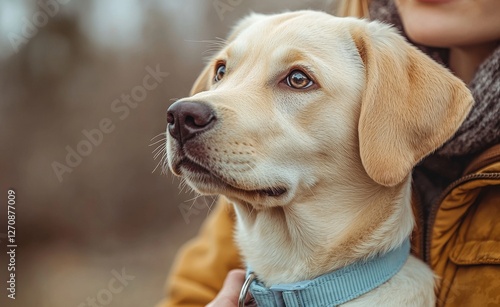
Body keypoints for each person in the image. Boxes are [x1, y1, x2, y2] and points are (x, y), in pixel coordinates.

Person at [158, 0, 500, 306]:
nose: (196, 110)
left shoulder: (375, 60)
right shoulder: (254, 186)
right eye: (222, 72)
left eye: (296, 79)